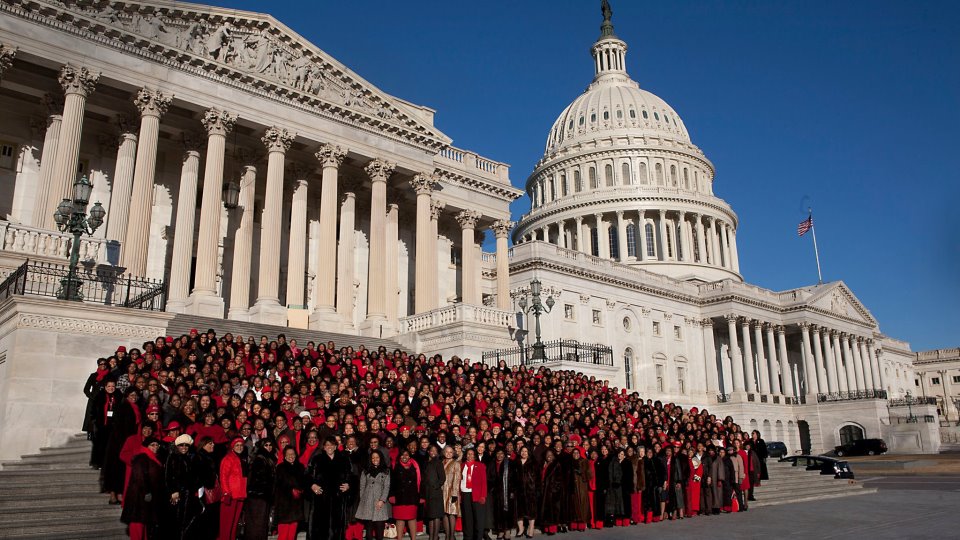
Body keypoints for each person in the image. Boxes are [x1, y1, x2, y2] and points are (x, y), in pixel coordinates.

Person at [306, 436, 352, 540]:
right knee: (320, 527)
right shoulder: (317, 459)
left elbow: (351, 476)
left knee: (337, 528)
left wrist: (348, 485)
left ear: (336, 446)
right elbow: (307, 476)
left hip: (338, 499)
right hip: (320, 498)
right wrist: (312, 485)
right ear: (324, 447)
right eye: (327, 445)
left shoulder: (344, 460)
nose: (329, 447)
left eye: (332, 445)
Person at [120, 437, 164, 540]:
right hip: (138, 499)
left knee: (144, 526)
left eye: (157, 445)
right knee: (137, 526)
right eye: (152, 445)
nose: (155, 447)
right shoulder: (142, 458)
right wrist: (147, 492)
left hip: (145, 500)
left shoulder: (153, 458)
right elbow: (139, 476)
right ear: (146, 446)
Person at [165, 433, 203, 539]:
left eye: (186, 445)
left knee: (188, 519)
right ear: (177, 446)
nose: (184, 447)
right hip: (177, 494)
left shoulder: (192, 457)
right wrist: (173, 491)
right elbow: (168, 476)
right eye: (181, 445)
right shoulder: (172, 457)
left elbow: (196, 475)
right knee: (177, 520)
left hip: (190, 494)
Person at [355, 450, 391, 540]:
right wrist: (363, 501)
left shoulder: (386, 471)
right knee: (369, 530)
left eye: (377, 457)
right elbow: (362, 487)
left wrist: (382, 500)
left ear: (380, 458)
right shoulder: (365, 471)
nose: (375, 459)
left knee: (379, 529)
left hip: (380, 502)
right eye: (373, 458)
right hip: (367, 502)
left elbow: (386, 487)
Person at [244, 438, 276, 539]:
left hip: (263, 495)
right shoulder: (259, 459)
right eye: (266, 445)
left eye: (270, 445)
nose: (269, 447)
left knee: (261, 523)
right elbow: (258, 478)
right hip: (257, 496)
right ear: (262, 447)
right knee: (257, 523)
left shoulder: (267, 458)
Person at [274, 446, 306, 540]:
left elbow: (304, 482)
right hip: (284, 505)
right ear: (284, 456)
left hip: (296, 505)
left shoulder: (300, 467)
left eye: (292, 454)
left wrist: (301, 490)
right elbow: (279, 485)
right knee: (283, 534)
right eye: (288, 454)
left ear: (296, 455)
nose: (291, 456)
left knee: (292, 534)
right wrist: (291, 489)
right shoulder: (280, 467)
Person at [219, 437, 248, 540]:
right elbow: (223, 477)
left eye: (241, 445)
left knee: (234, 523)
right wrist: (226, 493)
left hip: (240, 494)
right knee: (227, 523)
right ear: (232, 447)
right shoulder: (228, 459)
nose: (239, 447)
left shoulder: (241, 458)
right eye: (237, 445)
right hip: (231, 495)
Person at [390, 449, 421, 540]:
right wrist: (391, 495)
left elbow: (420, 481)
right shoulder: (394, 466)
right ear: (399, 456)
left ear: (409, 456)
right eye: (402, 455)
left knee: (412, 518)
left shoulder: (415, 465)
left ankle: (413, 539)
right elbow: (391, 482)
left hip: (412, 496)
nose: (404, 457)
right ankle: (399, 538)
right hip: (399, 497)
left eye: (406, 455)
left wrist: (421, 496)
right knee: (399, 519)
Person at [489, 447, 518, 539]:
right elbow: (489, 478)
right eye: (498, 453)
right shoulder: (492, 463)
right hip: (496, 493)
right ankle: (500, 530)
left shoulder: (509, 463)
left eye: (501, 453)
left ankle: (507, 531)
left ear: (504, 454)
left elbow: (514, 478)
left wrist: (512, 491)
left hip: (508, 491)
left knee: (507, 512)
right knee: (498, 512)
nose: (499, 455)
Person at [460, 447, 488, 540]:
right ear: (466, 455)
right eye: (468, 454)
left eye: (472, 454)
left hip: (477, 495)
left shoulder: (480, 465)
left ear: (475, 456)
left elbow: (484, 482)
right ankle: (468, 537)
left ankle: (478, 537)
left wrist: (483, 495)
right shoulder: (462, 465)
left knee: (478, 519)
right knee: (467, 519)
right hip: (465, 494)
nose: (470, 455)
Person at [421, 445, 446, 540]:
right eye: (431, 450)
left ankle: (435, 537)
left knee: (436, 516)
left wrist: (435, 487)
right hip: (428, 493)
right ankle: (431, 537)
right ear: (428, 451)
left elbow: (442, 478)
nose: (433, 452)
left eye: (435, 450)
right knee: (430, 516)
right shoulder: (426, 463)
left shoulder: (438, 463)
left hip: (435, 493)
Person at [514, 446, 538, 538]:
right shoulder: (516, 463)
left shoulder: (533, 463)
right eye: (522, 451)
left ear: (528, 453)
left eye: (526, 451)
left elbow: (538, 477)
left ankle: (531, 529)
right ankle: (521, 529)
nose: (524, 453)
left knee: (531, 511)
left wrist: (536, 489)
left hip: (531, 491)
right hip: (518, 491)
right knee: (519, 511)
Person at [539, 449, 564, 536]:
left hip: (552, 492)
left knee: (553, 511)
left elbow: (559, 479)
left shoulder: (556, 464)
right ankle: (546, 528)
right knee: (546, 511)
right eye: (547, 454)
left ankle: (552, 529)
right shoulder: (544, 464)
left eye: (551, 454)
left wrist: (554, 490)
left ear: (553, 455)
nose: (549, 456)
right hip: (545, 491)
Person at [440, 445, 461, 540]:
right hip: (442, 492)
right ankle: (447, 535)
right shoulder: (441, 463)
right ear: (443, 452)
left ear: (453, 454)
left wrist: (455, 494)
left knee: (452, 513)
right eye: (446, 451)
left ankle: (452, 535)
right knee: (444, 513)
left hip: (452, 491)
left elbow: (457, 479)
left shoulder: (456, 463)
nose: (448, 454)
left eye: (451, 452)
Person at [569, 448, 592, 531]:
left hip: (582, 486)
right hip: (572, 487)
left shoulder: (584, 461)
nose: (576, 454)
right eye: (574, 453)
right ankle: (574, 524)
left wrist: (581, 473)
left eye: (577, 453)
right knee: (574, 505)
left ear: (580, 454)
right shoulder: (570, 462)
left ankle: (582, 525)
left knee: (582, 505)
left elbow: (589, 475)